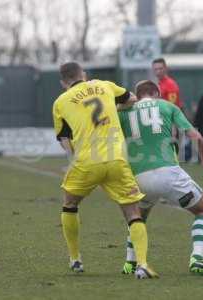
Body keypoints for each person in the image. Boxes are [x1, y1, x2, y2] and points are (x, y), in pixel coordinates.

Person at [52, 62, 158, 279]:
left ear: (63, 82)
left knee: (70, 204)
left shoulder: (60, 102)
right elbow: (132, 100)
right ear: (84, 74)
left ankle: (75, 259)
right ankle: (143, 264)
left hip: (86, 162)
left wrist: (72, 158)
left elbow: (64, 138)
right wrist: (115, 109)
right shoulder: (105, 85)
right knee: (132, 212)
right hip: (116, 159)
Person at [118, 80, 203, 278]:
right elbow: (196, 136)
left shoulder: (123, 112)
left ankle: (130, 262)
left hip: (139, 177)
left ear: (136, 95)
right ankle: (198, 257)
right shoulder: (168, 106)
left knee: (137, 218)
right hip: (168, 173)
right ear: (157, 93)